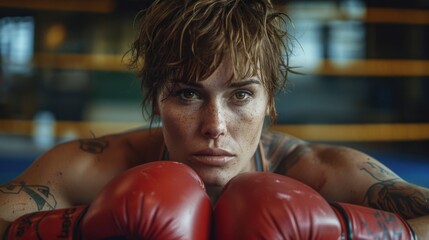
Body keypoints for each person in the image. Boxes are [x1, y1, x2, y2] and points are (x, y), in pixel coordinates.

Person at [1, 0, 428, 239]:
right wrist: (85, 231)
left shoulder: (316, 172)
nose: (215, 125)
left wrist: (345, 233)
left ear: (270, 103)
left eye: (241, 94)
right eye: (188, 94)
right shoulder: (96, 167)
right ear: (155, 100)